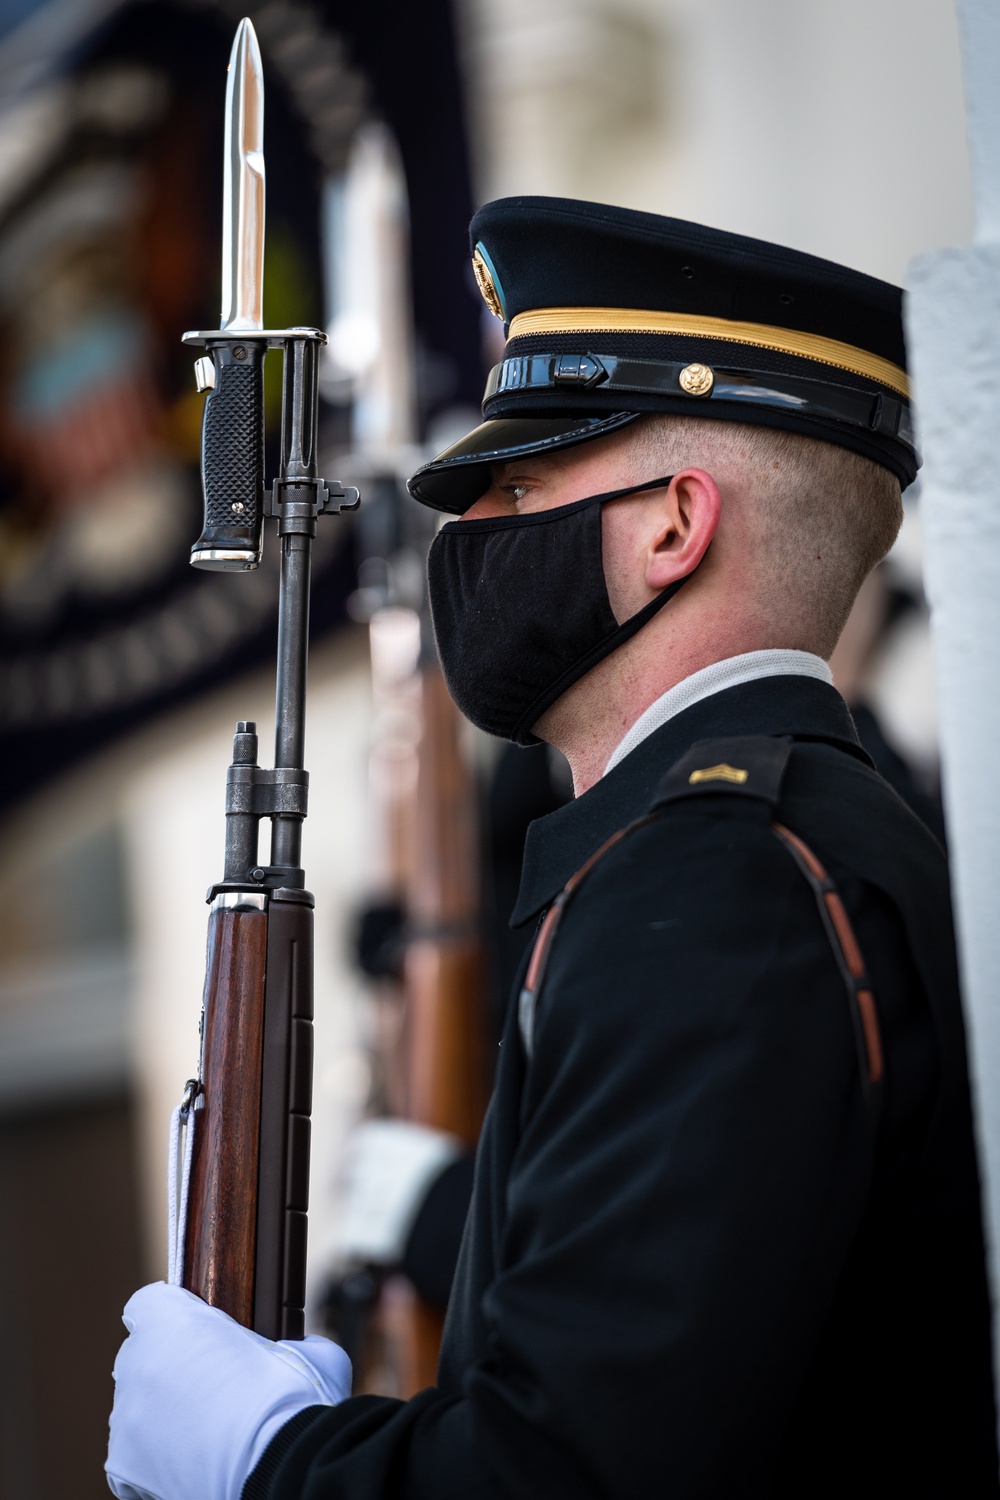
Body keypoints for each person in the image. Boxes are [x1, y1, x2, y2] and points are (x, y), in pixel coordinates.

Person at [106, 198, 998, 1499]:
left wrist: (269, 1459)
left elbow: (563, 1472)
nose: (474, 533)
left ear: (671, 528)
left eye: (522, 483)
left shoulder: (713, 884)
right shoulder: (777, 838)